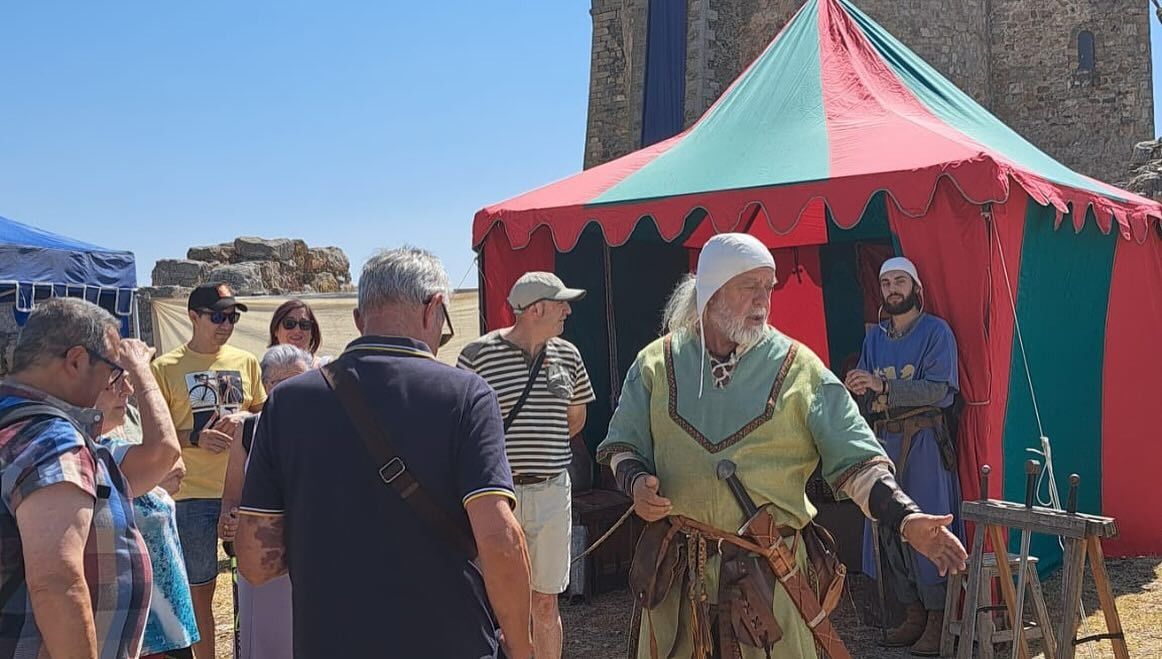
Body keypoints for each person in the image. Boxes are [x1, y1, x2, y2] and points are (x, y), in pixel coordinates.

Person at [596, 233, 967, 659]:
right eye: (747, 285)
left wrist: (906, 519)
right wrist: (636, 483)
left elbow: (858, 464)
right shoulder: (655, 364)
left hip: (767, 586)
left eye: (767, 287)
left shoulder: (799, 369)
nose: (762, 300)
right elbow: (623, 444)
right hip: (680, 586)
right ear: (712, 291)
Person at [235, 246, 534, 659]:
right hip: (450, 640)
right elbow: (500, 539)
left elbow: (253, 560)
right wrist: (523, 647)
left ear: (360, 321)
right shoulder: (467, 394)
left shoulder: (285, 403)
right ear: (434, 308)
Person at [0, 298, 181, 658]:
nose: (118, 385)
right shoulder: (53, 438)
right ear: (77, 360)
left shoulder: (13, 416)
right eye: (114, 370)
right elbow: (56, 582)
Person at [457, 271, 595, 659]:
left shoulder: (569, 355)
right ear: (536, 309)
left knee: (546, 604)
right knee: (494, 602)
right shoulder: (476, 356)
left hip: (551, 490)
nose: (568, 310)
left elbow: (576, 420)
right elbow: (461, 425)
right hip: (495, 497)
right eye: (561, 303)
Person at [845, 256, 963, 656]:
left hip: (925, 443)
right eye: (885, 282)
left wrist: (882, 385)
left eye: (899, 281)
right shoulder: (875, 338)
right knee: (890, 528)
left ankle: (937, 617)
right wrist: (858, 385)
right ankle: (912, 613)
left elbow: (938, 389)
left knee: (927, 524)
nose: (892, 289)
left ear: (915, 287)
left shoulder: (936, 332)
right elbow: (868, 383)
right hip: (885, 443)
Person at [151, 282, 267, 659]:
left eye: (232, 317)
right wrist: (195, 437)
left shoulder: (247, 361)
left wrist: (248, 419)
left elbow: (267, 413)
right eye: (218, 316)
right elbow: (156, 431)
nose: (227, 324)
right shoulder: (164, 368)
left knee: (257, 586)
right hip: (191, 493)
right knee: (199, 590)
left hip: (245, 491)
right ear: (193, 317)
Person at [94, 374, 200, 659]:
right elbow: (165, 452)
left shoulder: (118, 440)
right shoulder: (93, 452)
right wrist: (141, 369)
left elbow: (173, 465)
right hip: (138, 633)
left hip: (167, 626)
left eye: (128, 380)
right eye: (114, 379)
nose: (127, 389)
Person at [219, 344, 312, 659]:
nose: (288, 391)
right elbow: (232, 496)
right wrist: (229, 520)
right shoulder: (247, 429)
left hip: (314, 559)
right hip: (263, 562)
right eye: (278, 384)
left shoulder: (326, 428)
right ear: (265, 386)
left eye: (298, 381)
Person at [268, 299, 328, 364]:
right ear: (276, 330)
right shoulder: (262, 371)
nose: (297, 330)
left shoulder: (325, 370)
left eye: (304, 324)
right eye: (289, 323)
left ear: (312, 333)